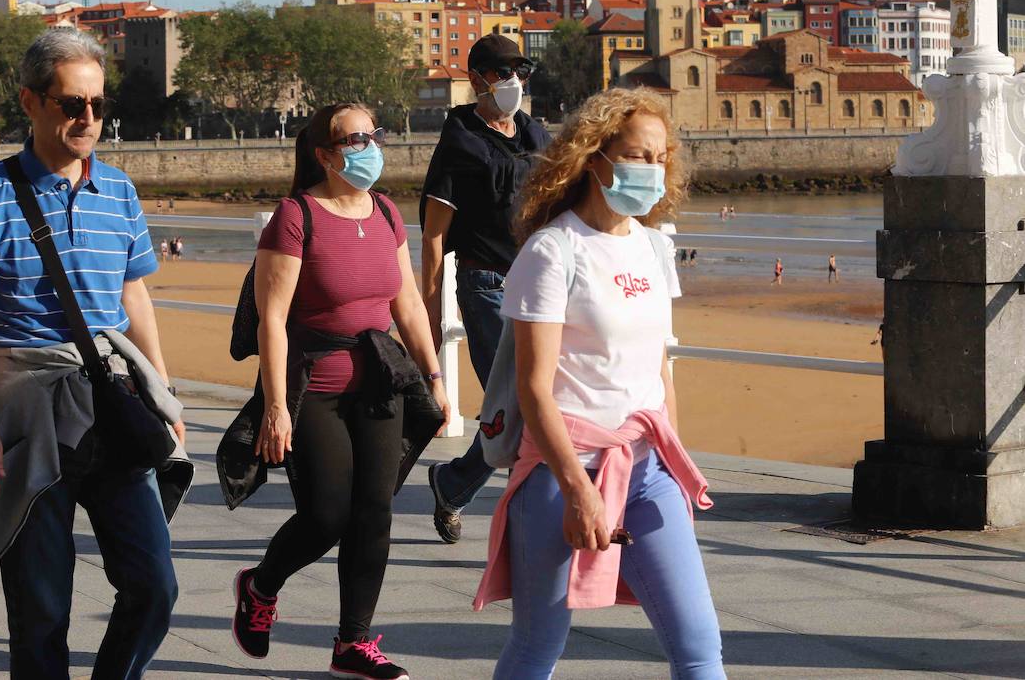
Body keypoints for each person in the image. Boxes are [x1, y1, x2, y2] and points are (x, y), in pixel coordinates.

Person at [0, 28, 183, 680]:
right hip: (26, 409)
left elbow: (135, 297)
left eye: (98, 105)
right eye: (71, 103)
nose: (88, 118)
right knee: (41, 609)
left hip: (112, 397)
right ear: (31, 101)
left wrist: (161, 389)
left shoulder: (121, 192)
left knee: (154, 585)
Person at [473, 87, 724, 679]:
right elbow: (535, 388)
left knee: (698, 643)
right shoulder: (552, 251)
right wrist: (578, 490)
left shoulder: (654, 247)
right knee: (539, 642)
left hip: (648, 470)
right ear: (593, 157)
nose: (652, 170)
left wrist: (675, 461)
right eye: (638, 155)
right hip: (565, 472)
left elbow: (659, 367)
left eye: (660, 158)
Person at [228, 102, 450, 680]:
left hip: (381, 383)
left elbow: (405, 302)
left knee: (375, 513)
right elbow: (272, 320)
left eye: (373, 134)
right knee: (326, 516)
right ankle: (259, 586)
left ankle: (354, 644)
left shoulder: (384, 211)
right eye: (355, 139)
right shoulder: (295, 215)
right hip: (315, 389)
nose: (369, 145)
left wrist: (434, 377)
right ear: (324, 154)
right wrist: (276, 407)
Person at [420, 33, 552, 544]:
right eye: (502, 73)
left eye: (520, 71)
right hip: (486, 286)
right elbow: (433, 238)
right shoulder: (460, 143)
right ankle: (534, 529)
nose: (513, 82)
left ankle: (452, 484)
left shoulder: (535, 135)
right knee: (520, 401)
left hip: (540, 284)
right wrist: (429, 322)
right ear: (476, 80)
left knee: (512, 409)